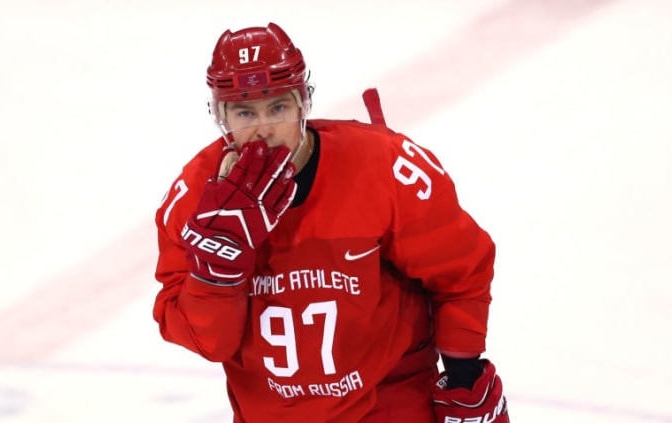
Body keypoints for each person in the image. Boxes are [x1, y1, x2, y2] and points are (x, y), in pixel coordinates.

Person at [152, 22, 509, 423]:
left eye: (278, 107)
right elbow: (209, 342)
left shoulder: (385, 168)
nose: (264, 129)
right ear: (221, 115)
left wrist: (464, 373)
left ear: (303, 102)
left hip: (388, 402)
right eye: (245, 112)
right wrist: (217, 276)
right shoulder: (193, 198)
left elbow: (461, 270)